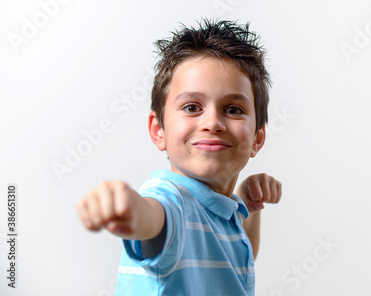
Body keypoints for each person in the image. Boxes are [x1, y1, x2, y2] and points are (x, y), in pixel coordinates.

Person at [76, 18, 282, 295]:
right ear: (158, 130)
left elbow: (238, 261)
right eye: (192, 107)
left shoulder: (219, 209)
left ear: (257, 138)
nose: (213, 122)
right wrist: (129, 207)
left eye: (233, 109)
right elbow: (152, 217)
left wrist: (249, 206)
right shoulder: (169, 199)